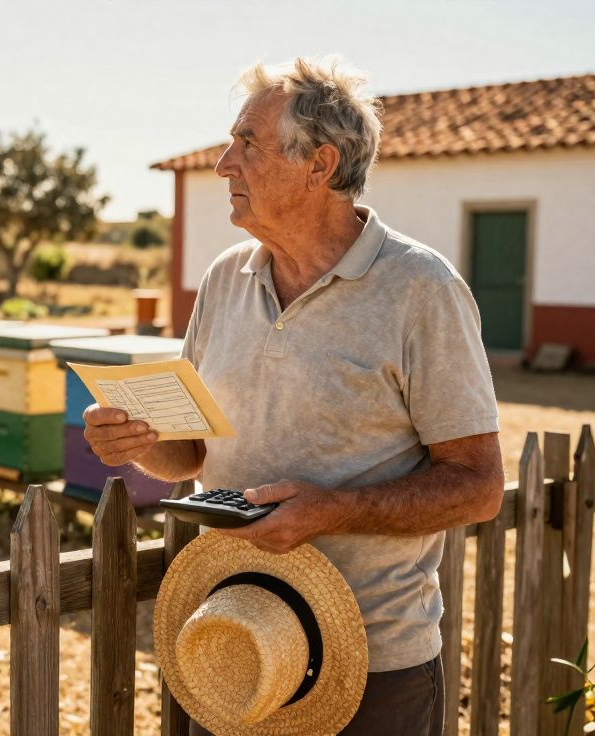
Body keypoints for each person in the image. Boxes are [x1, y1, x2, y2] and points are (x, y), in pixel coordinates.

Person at [83, 57, 504, 735]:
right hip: (231, 642)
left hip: (372, 664)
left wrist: (332, 512)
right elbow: (190, 454)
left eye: (247, 144)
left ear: (321, 163)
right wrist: (137, 443)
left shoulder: (422, 288)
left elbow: (478, 487)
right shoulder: (224, 278)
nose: (224, 163)